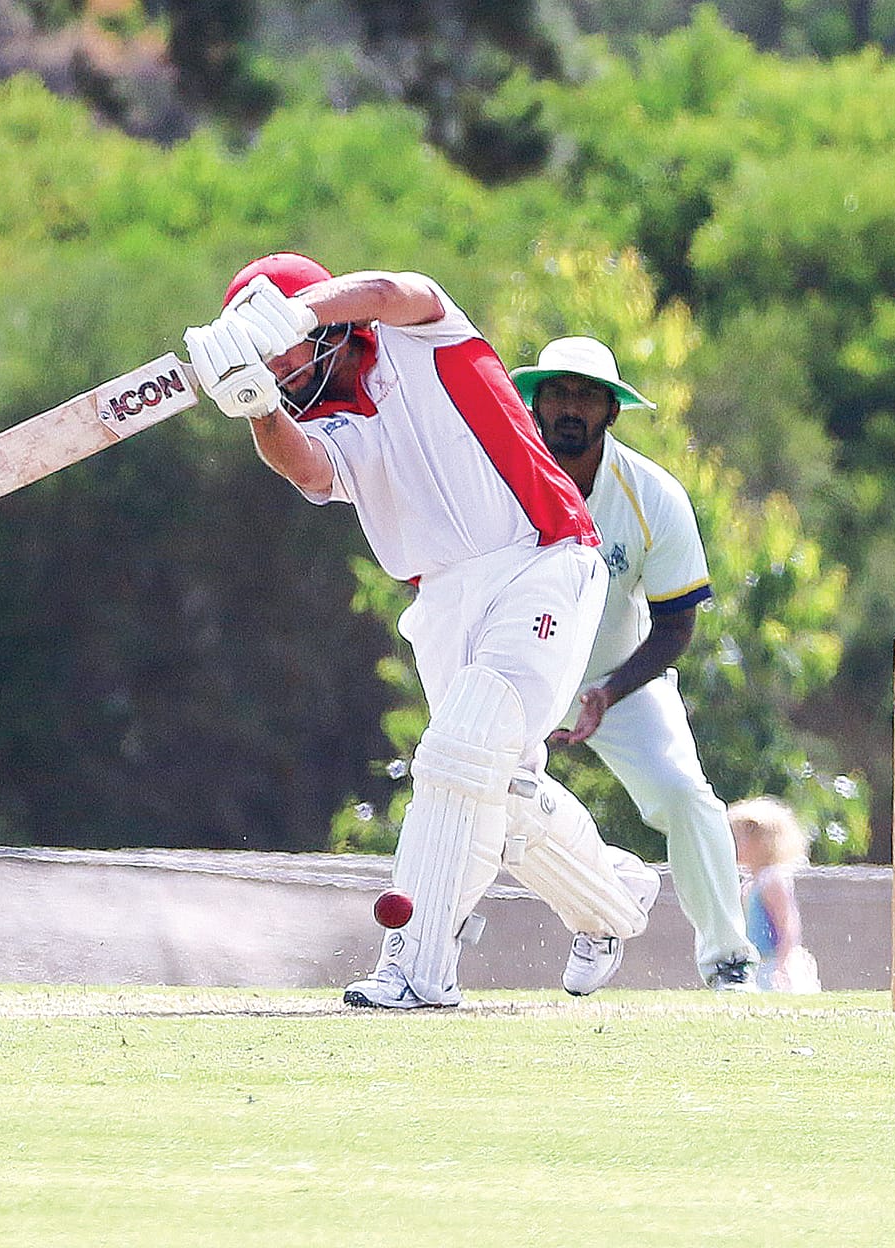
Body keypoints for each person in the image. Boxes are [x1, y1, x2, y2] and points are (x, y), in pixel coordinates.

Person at [182, 255, 660, 1009]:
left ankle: (415, 970)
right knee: (489, 788)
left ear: (323, 321)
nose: (276, 359)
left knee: (459, 753)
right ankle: (615, 902)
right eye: (260, 352)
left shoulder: (421, 335)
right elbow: (308, 471)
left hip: (541, 558)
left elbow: (388, 289)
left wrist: (301, 310)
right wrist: (255, 406)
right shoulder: (320, 419)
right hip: (441, 600)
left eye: (278, 339)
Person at [510, 336, 760, 993]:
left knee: (685, 795)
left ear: (611, 412)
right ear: (534, 402)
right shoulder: (498, 478)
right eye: (558, 392)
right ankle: (606, 903)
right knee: (475, 794)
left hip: (614, 677)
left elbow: (678, 623)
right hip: (514, 672)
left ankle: (728, 958)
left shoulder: (652, 495)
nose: (571, 407)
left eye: (588, 395)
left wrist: (608, 690)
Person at [728, 797, 820, 994]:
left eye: (737, 839)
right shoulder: (752, 883)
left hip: (773, 963)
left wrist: (783, 961)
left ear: (760, 841)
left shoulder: (771, 880)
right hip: (758, 962)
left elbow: (787, 923)